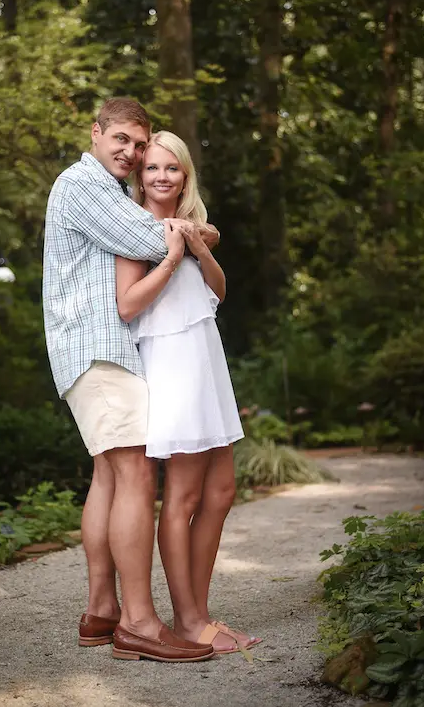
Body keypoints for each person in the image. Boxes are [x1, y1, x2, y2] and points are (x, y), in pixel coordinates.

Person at [43, 98, 219, 663]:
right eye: (120, 139)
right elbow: (149, 242)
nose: (131, 152)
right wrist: (196, 233)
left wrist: (190, 232)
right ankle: (141, 624)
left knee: (109, 476)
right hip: (97, 349)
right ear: (95, 134)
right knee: (136, 472)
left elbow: (158, 233)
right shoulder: (83, 183)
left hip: (97, 351)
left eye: (138, 145)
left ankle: (102, 610)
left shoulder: (110, 192)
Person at [115, 131, 262, 655]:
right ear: (138, 174)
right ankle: (191, 620)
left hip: (206, 362)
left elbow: (218, 292)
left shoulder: (194, 226)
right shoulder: (132, 230)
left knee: (221, 493)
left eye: (171, 168)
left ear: (184, 174)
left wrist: (198, 245)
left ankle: (198, 611)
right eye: (151, 167)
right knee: (182, 496)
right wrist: (175, 254)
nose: (160, 176)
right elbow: (128, 306)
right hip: (172, 366)